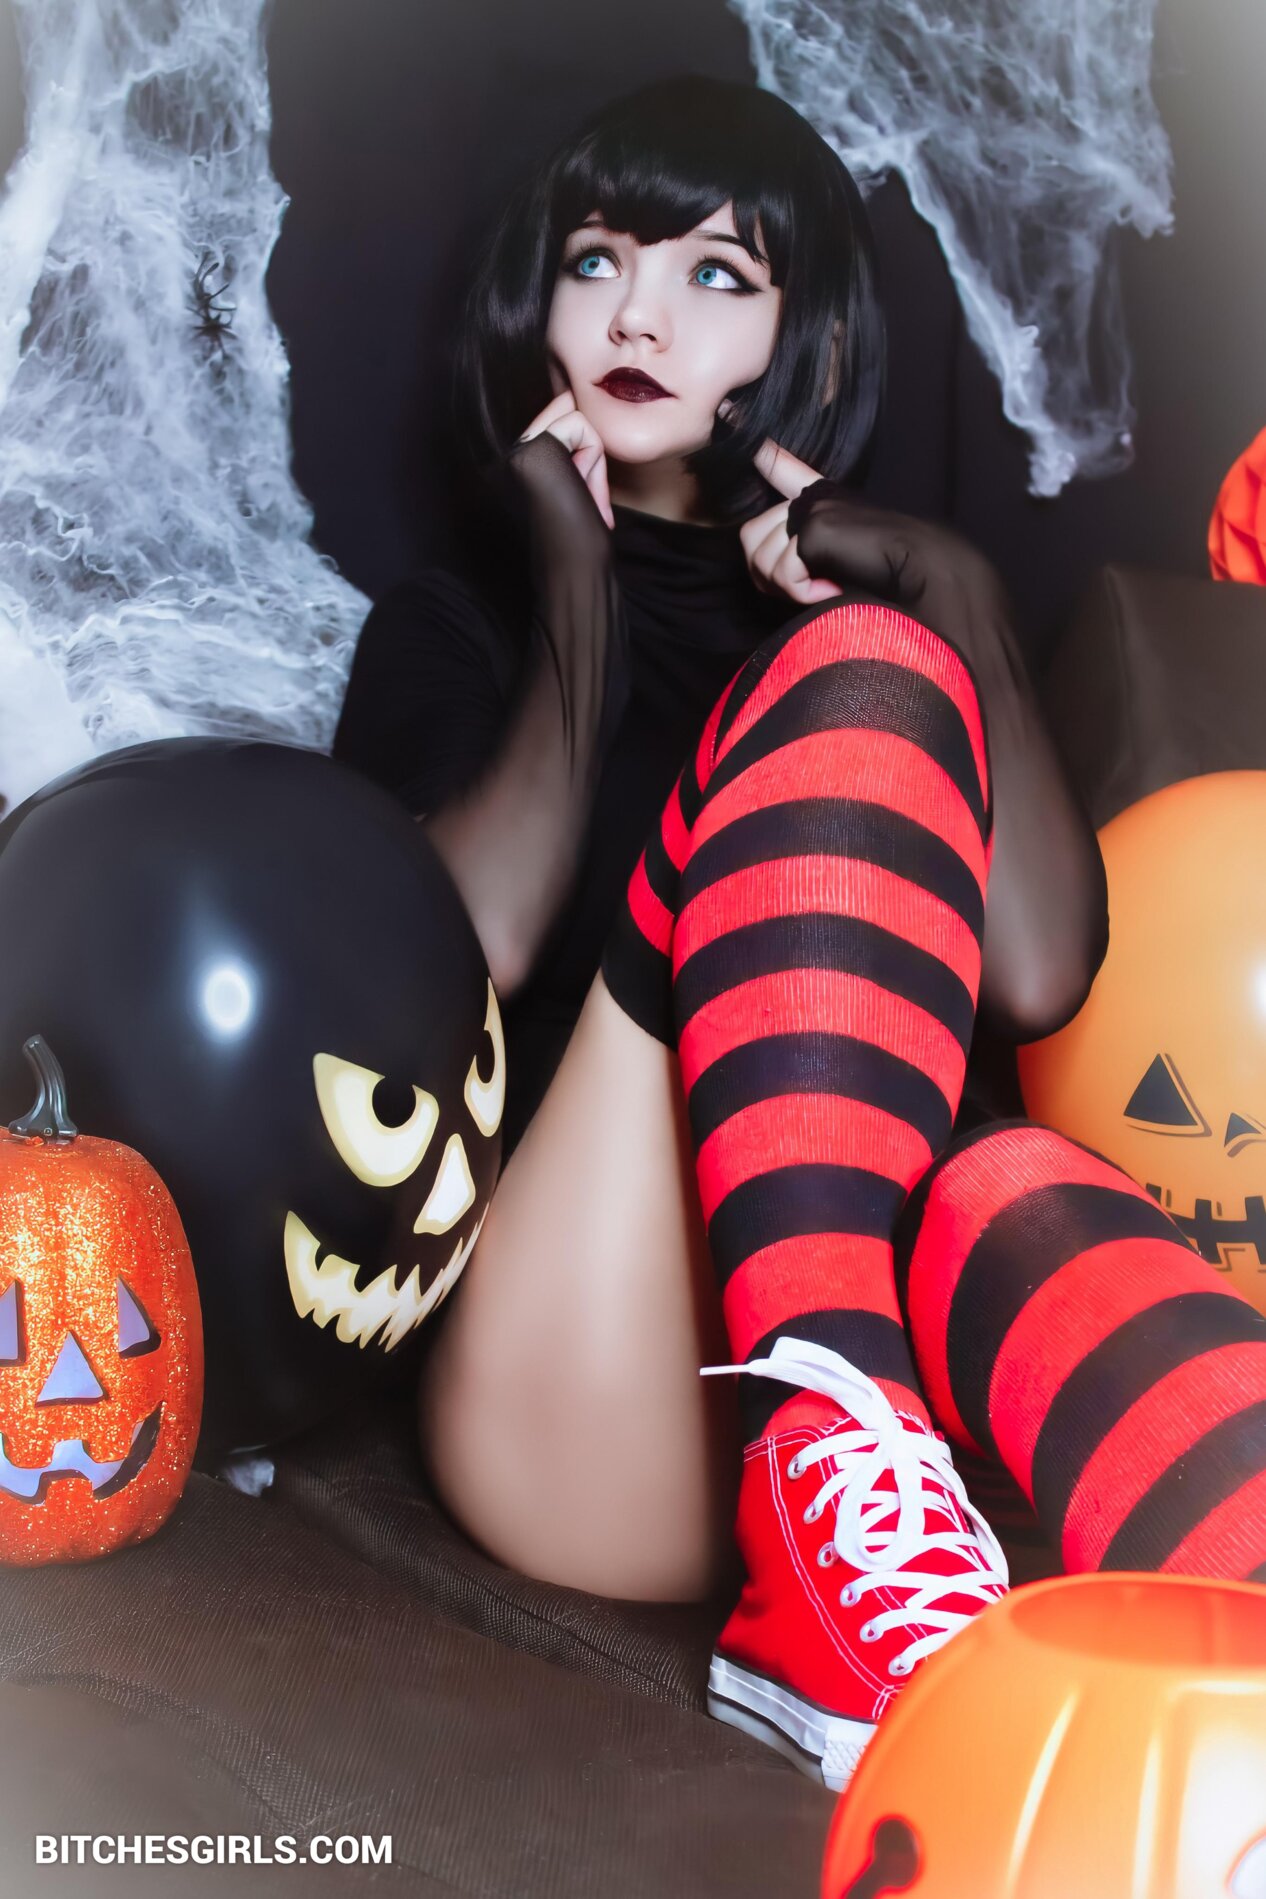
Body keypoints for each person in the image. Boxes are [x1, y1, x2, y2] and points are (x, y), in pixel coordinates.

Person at [332, 74, 1266, 1793]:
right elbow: (457, 951)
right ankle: (821, 1415)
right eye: (597, 260)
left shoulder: (872, 623)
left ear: (804, 337)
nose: (635, 315)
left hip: (892, 1486)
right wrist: (573, 590)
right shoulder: (458, 624)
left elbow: (1038, 977)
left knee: (1012, 1174)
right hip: (579, 1384)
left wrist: (953, 597)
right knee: (848, 685)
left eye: (714, 275)